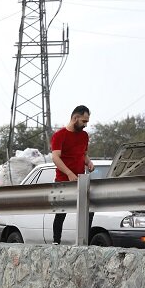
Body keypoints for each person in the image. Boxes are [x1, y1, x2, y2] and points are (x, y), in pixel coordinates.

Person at [51, 105, 95, 245]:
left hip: (80, 181)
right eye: (83, 121)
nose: (85, 125)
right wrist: (69, 173)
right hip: (63, 180)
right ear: (75, 118)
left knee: (89, 209)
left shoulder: (84, 135)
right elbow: (55, 157)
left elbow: (84, 154)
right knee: (60, 213)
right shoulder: (60, 135)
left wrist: (89, 162)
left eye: (87, 121)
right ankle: (56, 242)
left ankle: (84, 241)